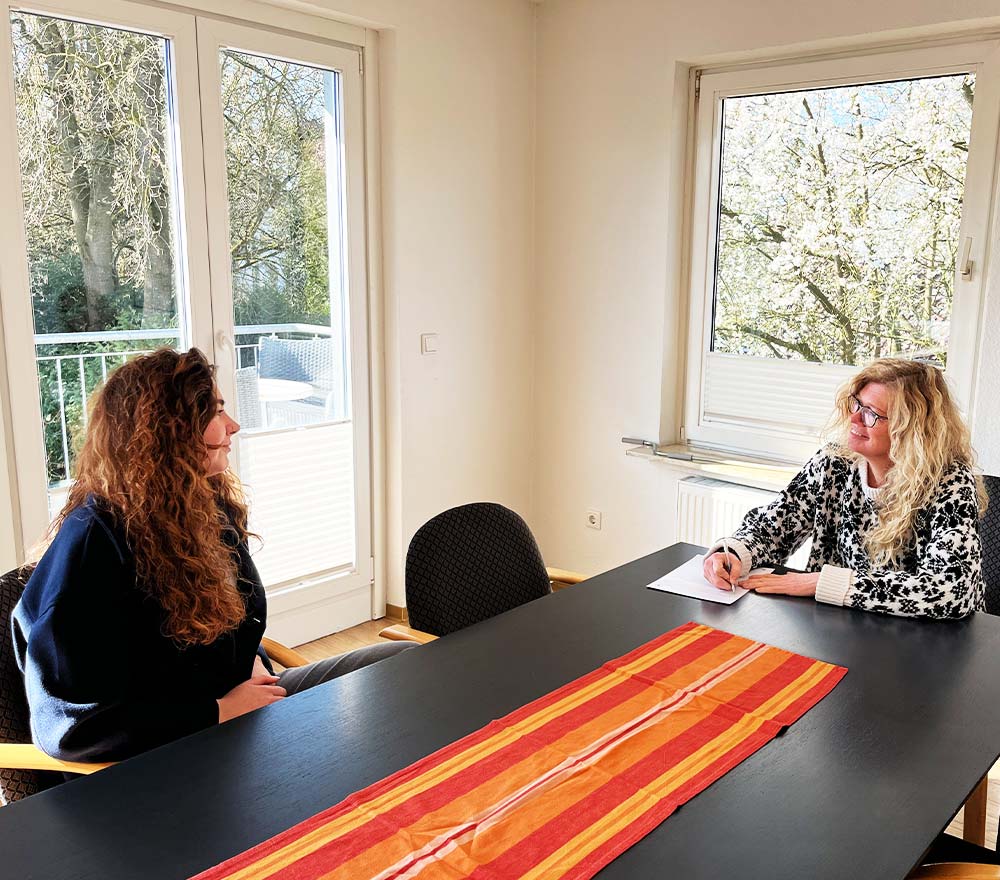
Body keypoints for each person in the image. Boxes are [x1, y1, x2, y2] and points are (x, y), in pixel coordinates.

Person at [12, 348, 413, 763]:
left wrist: (252, 661)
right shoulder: (91, 545)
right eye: (216, 413)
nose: (233, 426)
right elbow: (71, 728)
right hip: (174, 755)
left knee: (405, 663)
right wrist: (217, 711)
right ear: (170, 431)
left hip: (242, 708)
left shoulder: (197, 504)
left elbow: (227, 624)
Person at [702, 357, 986, 619]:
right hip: (839, 630)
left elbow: (951, 590)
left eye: (871, 414)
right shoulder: (832, 464)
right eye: (856, 405)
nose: (854, 419)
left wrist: (819, 582)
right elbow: (773, 528)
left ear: (911, 430)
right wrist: (732, 554)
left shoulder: (950, 482)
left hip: (930, 646)